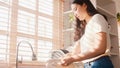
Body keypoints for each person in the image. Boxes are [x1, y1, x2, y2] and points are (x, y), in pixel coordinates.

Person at [60, 0, 114, 68]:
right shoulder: (87, 28)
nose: (75, 14)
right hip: (89, 64)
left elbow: (100, 49)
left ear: (84, 5)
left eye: (75, 9)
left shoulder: (97, 18)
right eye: (73, 12)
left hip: (99, 63)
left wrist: (72, 58)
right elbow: (78, 51)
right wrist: (68, 56)